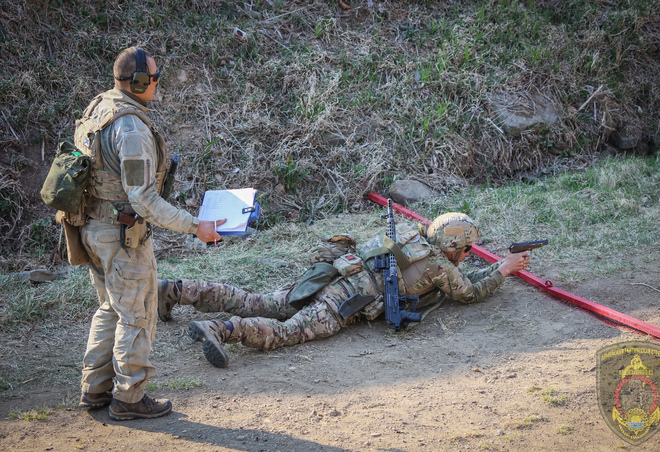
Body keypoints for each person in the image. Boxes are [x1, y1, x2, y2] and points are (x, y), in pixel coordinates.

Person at [158, 213, 531, 368]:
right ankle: (221, 330)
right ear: (457, 250)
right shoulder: (441, 267)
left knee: (255, 299)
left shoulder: (406, 233)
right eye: (467, 251)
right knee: (289, 331)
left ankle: (177, 289)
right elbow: (469, 293)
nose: (466, 256)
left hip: (328, 275)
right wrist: (503, 269)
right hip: (346, 300)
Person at [74, 47, 224, 420]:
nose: (157, 83)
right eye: (154, 78)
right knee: (137, 315)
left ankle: (95, 389)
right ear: (138, 82)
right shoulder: (132, 130)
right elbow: (142, 199)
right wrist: (195, 227)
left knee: (109, 308)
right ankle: (129, 397)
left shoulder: (99, 107)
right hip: (121, 236)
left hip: (92, 230)